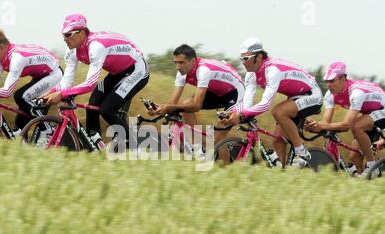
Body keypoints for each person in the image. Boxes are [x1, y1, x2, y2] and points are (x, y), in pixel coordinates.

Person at [42, 13, 150, 149]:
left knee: (107, 110)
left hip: (137, 69)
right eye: (63, 35)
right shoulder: (72, 52)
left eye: (68, 35)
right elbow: (66, 82)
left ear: (81, 32)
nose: (64, 39)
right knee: (92, 105)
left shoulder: (96, 46)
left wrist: (62, 94)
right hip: (117, 72)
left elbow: (90, 83)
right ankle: (96, 146)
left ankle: (134, 148)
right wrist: (49, 92)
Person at [223, 38, 323, 168]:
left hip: (312, 95)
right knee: (278, 141)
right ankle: (283, 175)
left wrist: (242, 115)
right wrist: (233, 113)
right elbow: (247, 104)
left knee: (278, 111)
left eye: (246, 59)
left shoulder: (272, 71)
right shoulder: (251, 74)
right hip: (295, 97)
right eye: (241, 59)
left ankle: (301, 152)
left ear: (259, 57)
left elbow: (265, 104)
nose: (243, 63)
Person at [0, 28, 62, 138]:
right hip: (40, 76)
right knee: (19, 126)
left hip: (54, 74)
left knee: (20, 96)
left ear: (2, 47)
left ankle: (47, 132)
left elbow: (7, 91)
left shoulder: (17, 58)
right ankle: (24, 148)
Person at [150, 44, 245, 151]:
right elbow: (172, 102)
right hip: (216, 91)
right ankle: (197, 149)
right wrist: (159, 109)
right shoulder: (182, 73)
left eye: (181, 63)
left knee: (217, 135)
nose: (178, 67)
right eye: (176, 63)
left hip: (235, 92)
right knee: (186, 106)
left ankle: (225, 167)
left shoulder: (203, 70)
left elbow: (196, 105)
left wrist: (169, 108)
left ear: (193, 61)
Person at [306, 62, 385, 178]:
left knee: (357, 126)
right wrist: (314, 125)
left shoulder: (356, 93)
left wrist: (322, 127)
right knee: (354, 156)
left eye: (332, 81)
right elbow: (325, 122)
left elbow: (346, 125)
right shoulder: (329, 95)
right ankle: (363, 182)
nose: (328, 85)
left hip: (382, 110)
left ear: (343, 79)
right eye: (327, 81)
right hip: (369, 113)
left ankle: (372, 167)